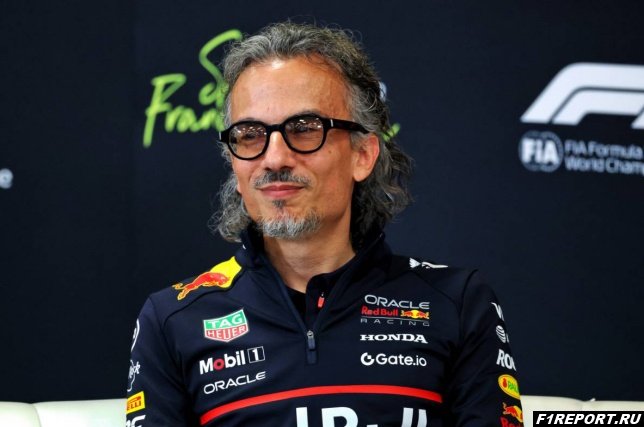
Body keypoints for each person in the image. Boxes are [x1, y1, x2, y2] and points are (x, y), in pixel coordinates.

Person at [126, 22, 523, 427]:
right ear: (234, 163)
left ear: (362, 155)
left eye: (304, 129)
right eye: (250, 135)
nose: (274, 158)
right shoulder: (172, 319)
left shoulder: (457, 302)